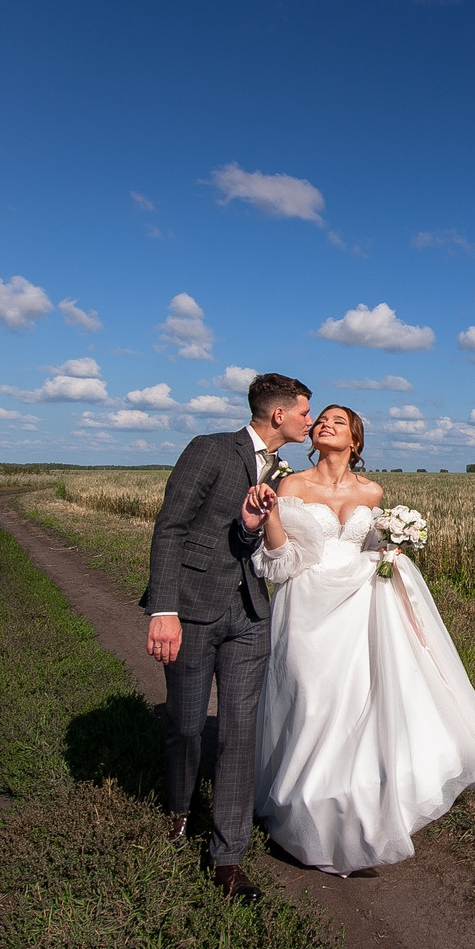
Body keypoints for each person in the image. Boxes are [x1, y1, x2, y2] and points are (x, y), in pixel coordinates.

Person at [248, 406, 475, 875]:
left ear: (355, 441)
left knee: (354, 706)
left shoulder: (372, 491)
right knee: (310, 702)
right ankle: (297, 809)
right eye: (321, 420)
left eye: (338, 422)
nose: (325, 425)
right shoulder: (291, 485)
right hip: (306, 602)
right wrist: (270, 517)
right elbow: (279, 560)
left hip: (359, 603)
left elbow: (370, 547)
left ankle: (347, 816)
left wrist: (393, 549)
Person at [142, 372, 313, 901]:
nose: (310, 421)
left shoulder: (282, 471)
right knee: (188, 725)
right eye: (305, 412)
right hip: (193, 609)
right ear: (279, 414)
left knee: (240, 733)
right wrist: (164, 608)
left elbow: (249, 539)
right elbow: (171, 526)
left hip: (250, 613)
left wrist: (249, 525)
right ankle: (178, 809)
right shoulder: (211, 449)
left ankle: (228, 857)